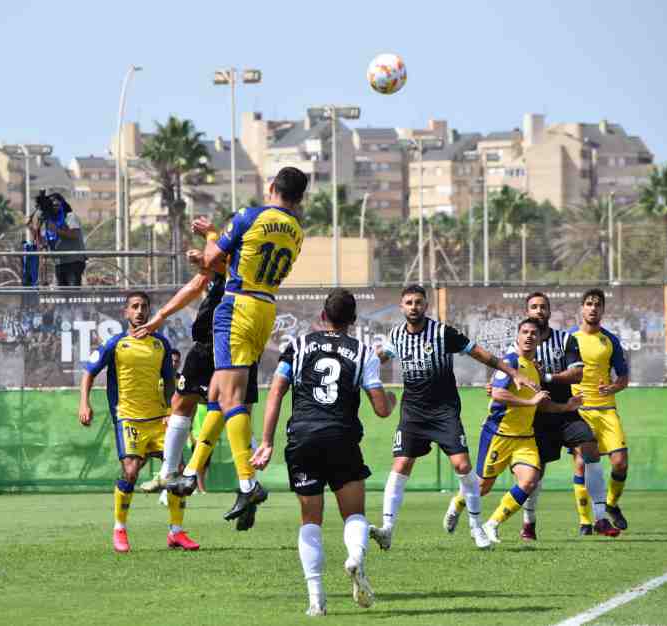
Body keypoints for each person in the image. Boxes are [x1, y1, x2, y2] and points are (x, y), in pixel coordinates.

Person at [169, 167, 308, 525]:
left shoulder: (250, 215)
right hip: (265, 308)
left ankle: (248, 483)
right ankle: (193, 470)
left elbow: (215, 259)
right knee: (217, 392)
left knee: (230, 399)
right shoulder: (296, 231)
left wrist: (204, 254)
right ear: (300, 197)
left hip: (237, 305)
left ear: (272, 187)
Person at [251, 289, 396, 616]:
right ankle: (355, 558)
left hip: (301, 439)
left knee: (310, 521)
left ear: (322, 316)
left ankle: (316, 601)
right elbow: (381, 409)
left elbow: (276, 391)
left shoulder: (298, 346)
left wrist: (266, 441)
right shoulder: (363, 352)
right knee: (354, 514)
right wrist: (392, 401)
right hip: (341, 437)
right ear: (353, 320)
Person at [369, 285, 537, 551]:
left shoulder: (442, 332)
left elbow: (478, 352)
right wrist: (358, 370)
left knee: (462, 466)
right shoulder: (396, 335)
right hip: (413, 412)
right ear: (402, 307)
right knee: (401, 465)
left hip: (444, 410)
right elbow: (379, 358)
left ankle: (476, 527)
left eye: (418, 302)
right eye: (409, 303)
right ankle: (387, 529)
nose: (414, 307)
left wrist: (511, 371)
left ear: (427, 306)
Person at [134, 217, 261, 530]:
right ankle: (171, 474)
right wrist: (160, 315)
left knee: (231, 410)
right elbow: (197, 282)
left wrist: (210, 238)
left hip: (234, 340)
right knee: (182, 402)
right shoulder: (219, 264)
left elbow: (223, 264)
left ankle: (246, 484)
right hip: (207, 342)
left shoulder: (244, 259)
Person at [78, 292, 199, 553]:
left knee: (176, 470)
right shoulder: (116, 344)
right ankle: (119, 528)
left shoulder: (161, 344)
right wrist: (84, 403)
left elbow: (169, 382)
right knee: (131, 471)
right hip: (128, 417)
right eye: (134, 307)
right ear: (126, 312)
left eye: (144, 306)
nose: (140, 311)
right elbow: (88, 372)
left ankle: (176, 532)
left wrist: (171, 411)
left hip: (158, 419)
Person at [469, 319, 584, 543]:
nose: (530, 336)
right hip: (500, 434)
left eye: (534, 333)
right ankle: (457, 504)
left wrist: (565, 407)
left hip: (524, 437)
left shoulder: (535, 369)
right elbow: (498, 394)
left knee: (530, 481)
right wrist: (530, 402)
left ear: (541, 339)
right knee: (482, 487)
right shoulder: (510, 362)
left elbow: (541, 403)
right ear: (517, 337)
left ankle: (492, 524)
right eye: (525, 332)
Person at [516, 293, 619, 538]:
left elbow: (577, 374)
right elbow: (507, 373)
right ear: (527, 311)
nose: (539, 311)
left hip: (565, 411)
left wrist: (547, 378)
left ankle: (600, 519)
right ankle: (529, 524)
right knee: (535, 471)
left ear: (550, 312)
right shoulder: (519, 344)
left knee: (591, 448)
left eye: (543, 307)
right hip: (536, 416)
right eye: (534, 307)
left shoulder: (565, 340)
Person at [569, 288, 631, 531]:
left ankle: (612, 504)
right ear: (582, 308)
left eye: (597, 304)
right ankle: (585, 521)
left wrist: (613, 387)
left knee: (620, 462)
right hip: (580, 411)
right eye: (588, 303)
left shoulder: (610, 340)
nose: (593, 308)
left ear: (603, 309)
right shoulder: (568, 339)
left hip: (606, 410)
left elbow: (623, 378)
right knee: (581, 464)